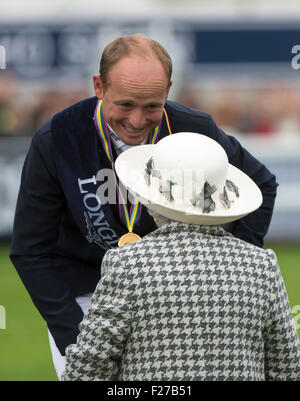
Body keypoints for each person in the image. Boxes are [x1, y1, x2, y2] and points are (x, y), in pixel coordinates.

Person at [10, 33, 278, 379]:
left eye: (152, 106)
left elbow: (262, 185)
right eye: (125, 104)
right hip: (85, 295)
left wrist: (231, 266)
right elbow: (31, 251)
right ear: (99, 87)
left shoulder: (194, 129)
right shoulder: (57, 138)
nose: (137, 121)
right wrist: (75, 336)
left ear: (168, 88)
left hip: (171, 293)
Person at [61, 133, 300, 381]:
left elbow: (87, 368)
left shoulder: (128, 264)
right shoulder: (261, 266)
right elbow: (287, 368)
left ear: (150, 199)